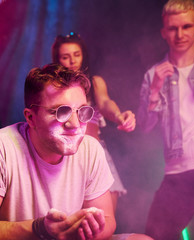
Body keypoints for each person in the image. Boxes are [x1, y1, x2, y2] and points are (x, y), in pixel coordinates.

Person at [0, 64, 152, 240]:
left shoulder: (90, 148)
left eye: (82, 111)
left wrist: (83, 231)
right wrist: (40, 229)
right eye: (61, 112)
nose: (75, 124)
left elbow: (108, 219)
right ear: (31, 117)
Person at [137, 0, 194, 239]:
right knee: (153, 236)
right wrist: (155, 90)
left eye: (186, 27)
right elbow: (144, 127)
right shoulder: (152, 74)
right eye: (173, 28)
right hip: (178, 171)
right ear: (163, 32)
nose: (180, 34)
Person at [51, 32, 136, 212]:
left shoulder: (94, 82)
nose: (73, 61)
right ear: (58, 60)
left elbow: (105, 103)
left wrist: (119, 116)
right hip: (67, 156)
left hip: (97, 152)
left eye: (77, 55)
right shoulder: (54, 87)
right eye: (66, 57)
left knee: (106, 214)